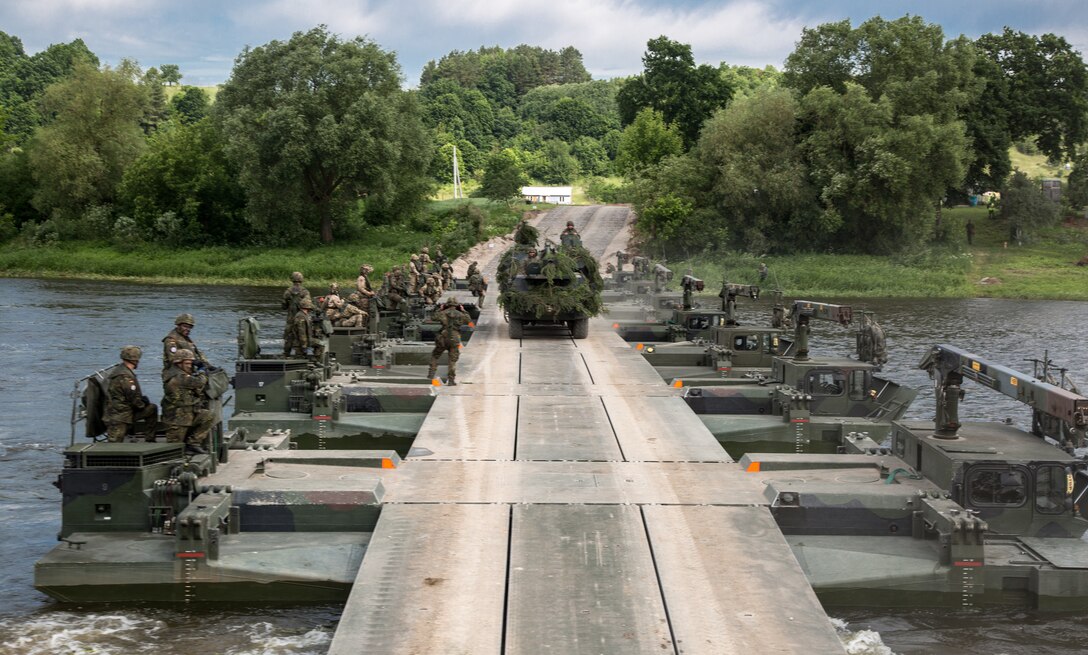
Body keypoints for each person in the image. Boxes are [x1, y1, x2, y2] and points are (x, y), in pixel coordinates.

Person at [162, 349, 215, 454]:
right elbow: (199, 382)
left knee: (208, 416)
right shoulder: (179, 377)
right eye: (187, 363)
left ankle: (193, 443)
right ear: (178, 363)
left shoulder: (172, 372)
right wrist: (202, 370)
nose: (189, 366)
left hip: (187, 414)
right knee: (175, 451)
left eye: (191, 363)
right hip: (176, 420)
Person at [104, 346, 158, 442]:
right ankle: (150, 438)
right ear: (135, 360)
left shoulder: (118, 370)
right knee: (114, 448)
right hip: (121, 416)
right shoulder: (126, 377)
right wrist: (142, 404)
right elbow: (134, 400)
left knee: (152, 408)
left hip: (115, 412)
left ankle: (149, 438)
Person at [427, 298, 470, 385]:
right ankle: (451, 380)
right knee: (452, 360)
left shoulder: (442, 313)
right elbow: (469, 321)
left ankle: (431, 374)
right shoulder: (461, 314)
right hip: (455, 338)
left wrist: (440, 309)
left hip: (443, 337)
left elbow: (433, 317)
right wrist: (463, 310)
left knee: (435, 355)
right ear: (457, 305)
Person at [162, 313, 207, 377]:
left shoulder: (186, 339)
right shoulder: (171, 340)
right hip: (176, 375)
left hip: (189, 372)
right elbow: (172, 358)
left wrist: (207, 365)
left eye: (190, 327)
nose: (188, 329)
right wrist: (193, 361)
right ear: (178, 325)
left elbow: (196, 354)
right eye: (185, 326)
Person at [282, 272, 311, 354]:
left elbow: (283, 306)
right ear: (301, 280)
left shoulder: (287, 291)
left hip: (290, 318)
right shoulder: (305, 292)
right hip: (301, 317)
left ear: (292, 280)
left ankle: (286, 354)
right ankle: (300, 354)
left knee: (289, 336)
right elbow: (308, 305)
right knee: (301, 335)